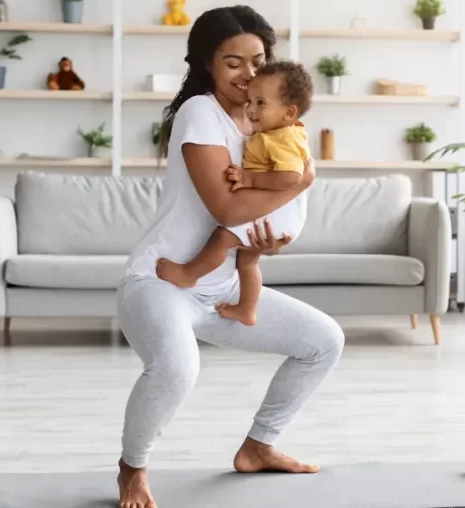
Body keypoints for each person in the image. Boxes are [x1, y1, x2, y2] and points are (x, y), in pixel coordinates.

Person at [116, 6, 345, 508]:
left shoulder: (267, 123)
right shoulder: (200, 112)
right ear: (207, 65)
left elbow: (251, 216)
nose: (246, 75)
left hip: (222, 287)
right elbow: (226, 205)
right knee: (178, 368)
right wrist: (299, 183)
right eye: (232, 63)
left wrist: (266, 241)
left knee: (323, 341)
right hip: (161, 281)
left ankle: (259, 447)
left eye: (257, 61)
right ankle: (132, 468)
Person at [155, 59, 314, 327]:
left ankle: (188, 274)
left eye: (260, 103)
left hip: (278, 210)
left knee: (222, 238)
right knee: (248, 262)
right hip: (282, 213)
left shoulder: (283, 138)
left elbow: (291, 177)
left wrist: (249, 178)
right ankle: (247, 309)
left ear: (289, 113)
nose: (250, 109)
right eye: (250, 101)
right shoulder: (280, 132)